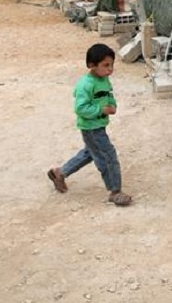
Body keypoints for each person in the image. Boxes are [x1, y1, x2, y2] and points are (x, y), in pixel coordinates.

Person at [47, 43, 132, 206]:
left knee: (90, 153)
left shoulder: (104, 79)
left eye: (112, 65)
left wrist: (112, 105)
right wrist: (102, 110)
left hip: (98, 125)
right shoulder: (86, 85)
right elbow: (81, 108)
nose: (110, 69)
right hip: (91, 128)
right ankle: (115, 191)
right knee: (108, 156)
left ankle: (60, 173)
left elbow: (109, 94)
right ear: (92, 66)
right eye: (106, 65)